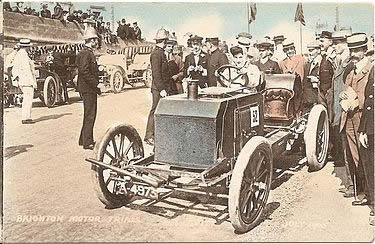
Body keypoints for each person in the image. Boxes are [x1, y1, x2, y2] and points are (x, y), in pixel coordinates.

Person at [339, 33, 373, 203]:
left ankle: (369, 194)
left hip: (363, 118)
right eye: (351, 50)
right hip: (350, 118)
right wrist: (343, 96)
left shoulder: (370, 69)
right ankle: (365, 192)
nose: (353, 54)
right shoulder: (351, 70)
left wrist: (356, 101)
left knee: (367, 158)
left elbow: (369, 95)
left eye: (356, 51)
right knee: (356, 157)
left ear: (364, 50)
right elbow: (347, 89)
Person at [330, 30, 355, 196]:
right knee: (346, 150)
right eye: (335, 43)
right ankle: (350, 184)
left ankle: (354, 186)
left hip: (348, 112)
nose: (336, 46)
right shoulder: (340, 62)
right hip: (340, 112)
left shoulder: (350, 64)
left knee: (351, 151)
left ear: (347, 44)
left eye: (339, 43)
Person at [76, 28, 101, 150]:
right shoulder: (86, 53)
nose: (97, 41)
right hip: (88, 89)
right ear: (91, 40)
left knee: (88, 114)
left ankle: (83, 139)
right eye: (95, 39)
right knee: (90, 114)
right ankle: (88, 142)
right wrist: (96, 84)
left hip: (87, 88)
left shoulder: (86, 52)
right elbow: (84, 71)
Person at [144, 28, 169, 146]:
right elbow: (156, 73)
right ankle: (149, 135)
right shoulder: (156, 54)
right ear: (164, 41)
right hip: (158, 88)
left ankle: (156, 134)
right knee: (154, 110)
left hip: (161, 87)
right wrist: (161, 89)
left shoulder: (161, 53)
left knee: (158, 110)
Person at [358, 65, 374, 225]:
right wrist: (363, 130)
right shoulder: (374, 69)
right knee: (371, 169)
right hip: (371, 128)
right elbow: (369, 103)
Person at [12, 39, 37, 124]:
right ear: (27, 47)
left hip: (22, 80)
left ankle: (26, 117)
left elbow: (14, 69)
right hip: (27, 80)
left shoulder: (19, 54)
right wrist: (33, 82)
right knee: (28, 99)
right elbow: (27, 70)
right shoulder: (24, 55)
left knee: (26, 99)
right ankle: (26, 118)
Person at [318, 31, 335, 119]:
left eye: (322, 41)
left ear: (330, 42)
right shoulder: (323, 56)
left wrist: (331, 90)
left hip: (330, 90)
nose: (320, 44)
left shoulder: (333, 55)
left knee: (331, 115)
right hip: (322, 90)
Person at [303, 40, 322, 110]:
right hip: (307, 100)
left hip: (317, 99)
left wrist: (317, 80)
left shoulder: (323, 64)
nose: (309, 53)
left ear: (319, 50)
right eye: (309, 51)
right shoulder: (308, 65)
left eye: (311, 50)